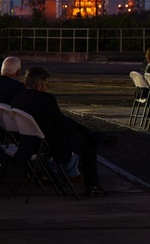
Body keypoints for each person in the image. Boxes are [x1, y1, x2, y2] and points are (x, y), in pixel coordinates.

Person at [12, 66, 115, 197]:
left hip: (28, 143)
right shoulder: (46, 99)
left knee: (84, 136)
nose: (46, 87)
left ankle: (95, 136)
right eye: (46, 85)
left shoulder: (18, 99)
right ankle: (92, 186)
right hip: (48, 144)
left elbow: (60, 120)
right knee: (89, 145)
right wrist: (78, 135)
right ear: (39, 85)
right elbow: (62, 123)